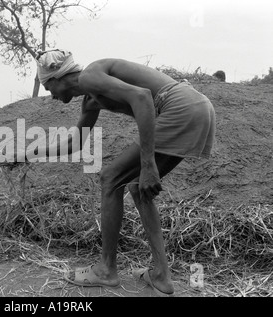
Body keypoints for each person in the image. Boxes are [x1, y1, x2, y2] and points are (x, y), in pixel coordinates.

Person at [16, 49, 216, 296]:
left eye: (49, 89)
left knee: (110, 178)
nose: (52, 96)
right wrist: (27, 154)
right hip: (198, 107)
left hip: (179, 106)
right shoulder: (91, 98)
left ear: (57, 77)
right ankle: (161, 276)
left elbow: (142, 98)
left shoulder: (90, 75)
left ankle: (106, 270)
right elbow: (75, 143)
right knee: (136, 186)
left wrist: (148, 163)